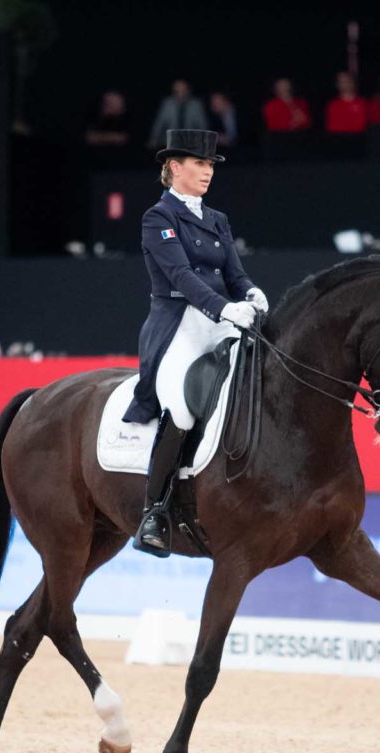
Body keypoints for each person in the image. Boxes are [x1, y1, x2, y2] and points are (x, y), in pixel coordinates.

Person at [123, 130, 268, 555]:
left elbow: (234, 274)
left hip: (223, 319)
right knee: (184, 408)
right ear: (173, 168)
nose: (207, 172)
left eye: (210, 165)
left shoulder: (217, 219)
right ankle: (154, 512)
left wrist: (251, 293)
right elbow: (182, 278)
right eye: (199, 164)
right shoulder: (158, 218)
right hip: (179, 324)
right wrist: (226, 309)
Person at [147, 80, 207, 148]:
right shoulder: (167, 104)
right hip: (169, 143)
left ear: (188, 91)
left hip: (191, 143)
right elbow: (159, 124)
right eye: (177, 91)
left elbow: (203, 125)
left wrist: (205, 142)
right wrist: (153, 139)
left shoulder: (196, 105)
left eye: (183, 91)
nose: (180, 94)